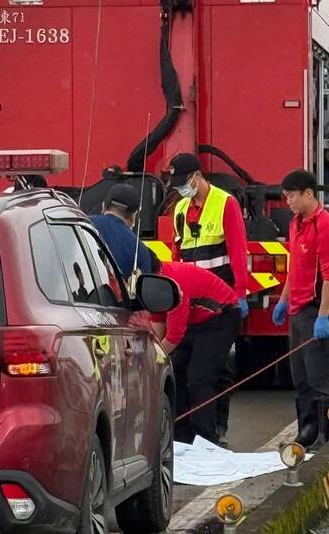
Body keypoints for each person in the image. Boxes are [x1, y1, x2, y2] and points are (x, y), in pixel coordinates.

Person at [167, 153, 249, 445]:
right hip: (189, 301)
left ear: (198, 176)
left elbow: (238, 249)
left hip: (220, 300)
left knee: (213, 372)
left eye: (184, 182)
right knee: (183, 371)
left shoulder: (224, 203)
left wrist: (240, 291)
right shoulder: (180, 209)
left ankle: (214, 430)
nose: (180, 189)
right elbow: (177, 254)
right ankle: (184, 436)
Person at [273, 169, 329, 451]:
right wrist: (283, 301)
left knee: (320, 379)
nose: (288, 201)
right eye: (286, 196)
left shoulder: (325, 226)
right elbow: (295, 267)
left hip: (318, 311)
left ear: (308, 194)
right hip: (298, 311)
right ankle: (307, 429)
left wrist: (324, 315)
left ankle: (328, 436)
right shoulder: (295, 224)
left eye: (291, 195)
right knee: (300, 376)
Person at [149, 255, 242, 446]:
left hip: (222, 315)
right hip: (197, 319)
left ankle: (206, 438)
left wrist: (154, 361)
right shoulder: (153, 285)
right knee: (177, 373)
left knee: (200, 377)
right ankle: (181, 438)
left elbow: (173, 337)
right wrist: (154, 353)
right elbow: (158, 323)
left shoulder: (173, 285)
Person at [90, 183, 152, 281]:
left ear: (104, 206)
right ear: (134, 215)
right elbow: (144, 290)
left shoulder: (84, 224)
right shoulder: (139, 249)